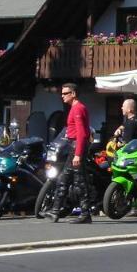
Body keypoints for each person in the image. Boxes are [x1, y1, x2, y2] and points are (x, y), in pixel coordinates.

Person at [52, 83, 94, 224]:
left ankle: (85, 213)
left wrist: (77, 154)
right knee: (63, 179)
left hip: (77, 146)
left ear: (74, 93)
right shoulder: (74, 108)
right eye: (62, 93)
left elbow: (82, 133)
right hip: (73, 146)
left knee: (79, 181)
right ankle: (55, 211)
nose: (62, 96)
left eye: (65, 93)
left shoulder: (77, 109)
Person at [113, 98, 137, 215]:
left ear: (130, 109)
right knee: (135, 178)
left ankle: (132, 207)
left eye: (123, 106)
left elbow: (127, 143)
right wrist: (120, 128)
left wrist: (117, 143)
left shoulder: (130, 123)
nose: (121, 108)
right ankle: (135, 206)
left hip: (129, 156)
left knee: (129, 178)